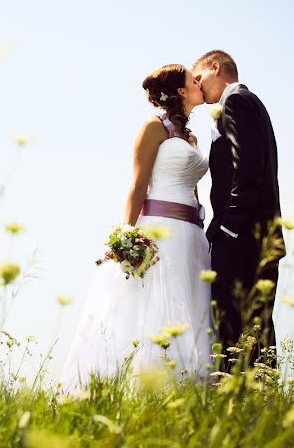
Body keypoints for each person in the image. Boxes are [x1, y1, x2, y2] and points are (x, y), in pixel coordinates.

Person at [59, 64, 212, 392]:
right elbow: (138, 185)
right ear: (182, 91)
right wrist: (127, 236)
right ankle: (146, 386)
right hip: (159, 232)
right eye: (192, 80)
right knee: (154, 308)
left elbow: (194, 187)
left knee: (191, 306)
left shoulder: (192, 137)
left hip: (191, 235)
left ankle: (188, 386)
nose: (199, 83)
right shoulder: (153, 128)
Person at [193, 50, 281, 368]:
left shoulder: (237, 101)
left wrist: (229, 224)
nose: (197, 87)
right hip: (254, 234)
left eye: (199, 77)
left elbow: (249, 166)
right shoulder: (243, 104)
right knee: (254, 324)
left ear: (216, 68)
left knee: (235, 321)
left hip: (244, 236)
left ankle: (242, 397)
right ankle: (257, 401)